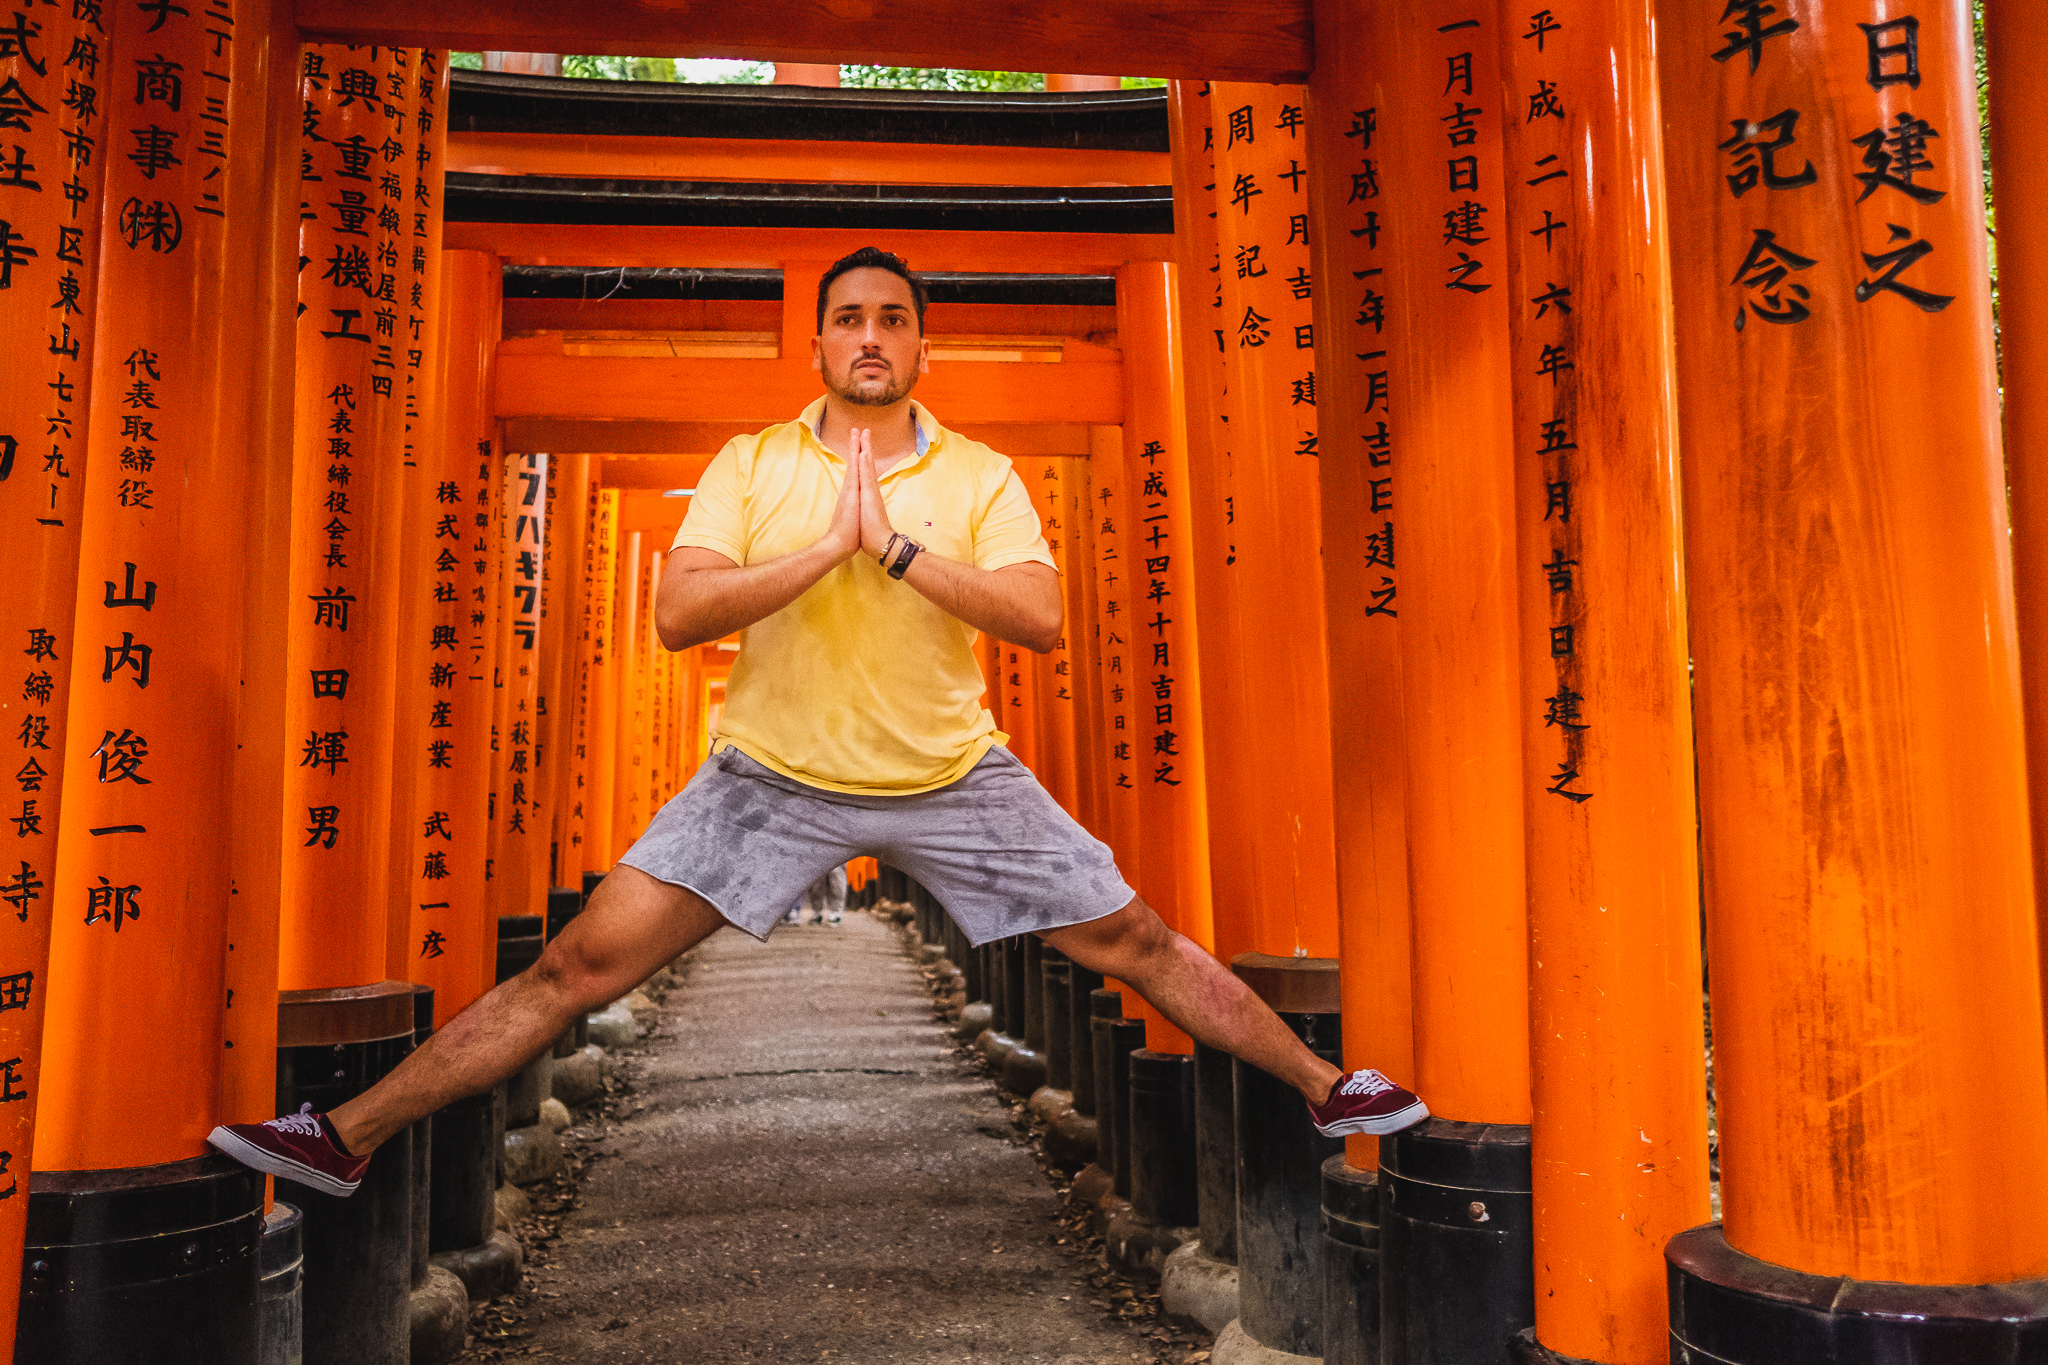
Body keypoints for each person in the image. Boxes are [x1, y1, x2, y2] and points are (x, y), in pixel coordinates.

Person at [208, 246, 1427, 1197]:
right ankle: (344, 1137)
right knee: (573, 965)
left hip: (953, 773)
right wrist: (822, 547)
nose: (870, 337)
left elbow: (1041, 618)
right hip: (770, 777)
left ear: (921, 347)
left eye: (892, 318)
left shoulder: (979, 475)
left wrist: (892, 550)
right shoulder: (752, 463)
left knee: (1141, 940)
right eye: (849, 317)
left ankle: (1328, 1089)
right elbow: (680, 614)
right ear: (817, 343)